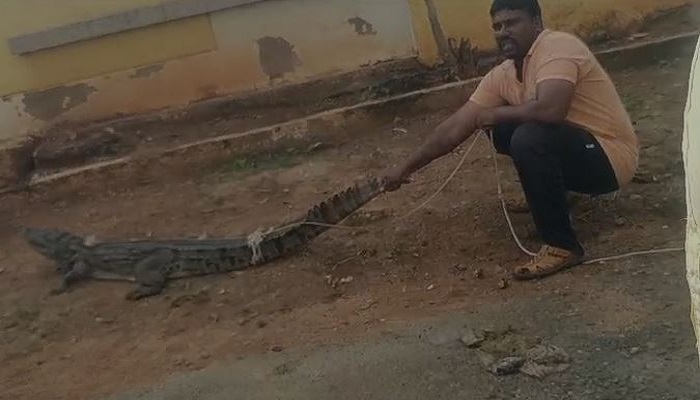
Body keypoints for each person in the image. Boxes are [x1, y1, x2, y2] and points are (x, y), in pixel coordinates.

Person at [381, 0, 638, 280]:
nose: (503, 32)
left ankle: (562, 246)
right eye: (497, 26)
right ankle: (555, 193)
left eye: (512, 23)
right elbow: (453, 129)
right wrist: (404, 169)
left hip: (610, 160)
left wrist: (497, 112)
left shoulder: (558, 47)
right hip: (575, 152)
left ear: (537, 23)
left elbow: (552, 110)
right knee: (505, 131)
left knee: (528, 135)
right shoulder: (503, 74)